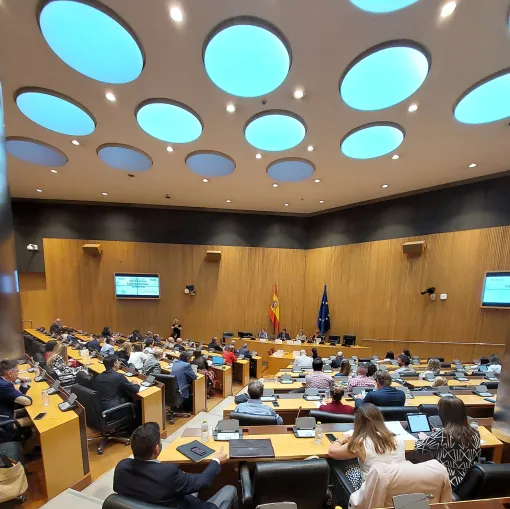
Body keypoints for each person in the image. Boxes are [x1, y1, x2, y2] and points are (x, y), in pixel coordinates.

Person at [113, 422, 237, 509]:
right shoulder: (168, 473)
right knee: (231, 489)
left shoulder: (121, 468)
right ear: (156, 449)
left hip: (159, 501)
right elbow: (203, 482)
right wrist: (216, 460)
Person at [328, 403, 406, 490]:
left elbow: (332, 452)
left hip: (371, 491)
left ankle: (333, 500)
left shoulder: (361, 442)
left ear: (358, 422)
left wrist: (341, 439)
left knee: (343, 466)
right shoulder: (398, 439)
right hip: (397, 488)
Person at [415, 397, 481, 489]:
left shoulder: (443, 434)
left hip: (447, 479)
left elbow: (420, 449)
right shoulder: (475, 433)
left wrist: (423, 439)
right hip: (468, 480)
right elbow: (476, 457)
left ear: (443, 414)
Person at [0, 360, 32, 425]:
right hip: (4, 421)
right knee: (34, 422)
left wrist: (24, 382)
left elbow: (20, 395)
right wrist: (27, 397)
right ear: (10, 373)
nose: (18, 373)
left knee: (28, 412)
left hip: (6, 411)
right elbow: (27, 401)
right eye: (17, 371)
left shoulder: (3, 381)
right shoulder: (5, 386)